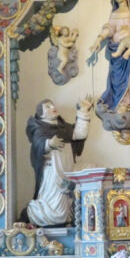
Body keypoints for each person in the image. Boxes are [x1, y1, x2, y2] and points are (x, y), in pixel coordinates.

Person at [25, 97, 92, 227]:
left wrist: (83, 111)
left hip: (66, 169)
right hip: (52, 173)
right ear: (41, 114)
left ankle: (66, 217)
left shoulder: (64, 128)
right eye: (47, 107)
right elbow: (37, 145)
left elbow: (79, 134)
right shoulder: (40, 129)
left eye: (52, 104)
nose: (52, 107)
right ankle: (43, 215)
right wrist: (49, 144)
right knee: (53, 202)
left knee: (67, 198)